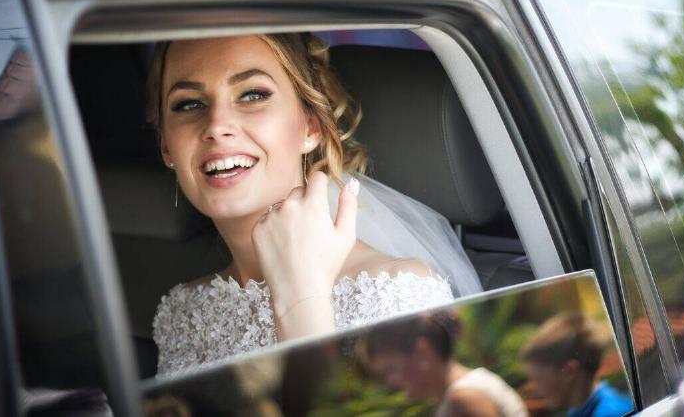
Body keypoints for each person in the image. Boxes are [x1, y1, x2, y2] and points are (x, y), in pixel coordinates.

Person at [149, 33, 482, 375]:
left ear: (311, 126)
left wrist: (301, 304)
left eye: (253, 95)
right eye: (188, 104)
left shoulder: (398, 295)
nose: (217, 126)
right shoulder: (182, 312)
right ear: (167, 148)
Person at [364, 310, 528, 417]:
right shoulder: (459, 394)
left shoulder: (464, 399)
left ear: (422, 351)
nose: (390, 381)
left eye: (390, 369)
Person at [520, 313, 634, 417]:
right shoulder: (577, 411)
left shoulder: (612, 413)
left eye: (539, 379)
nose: (535, 390)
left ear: (569, 371)